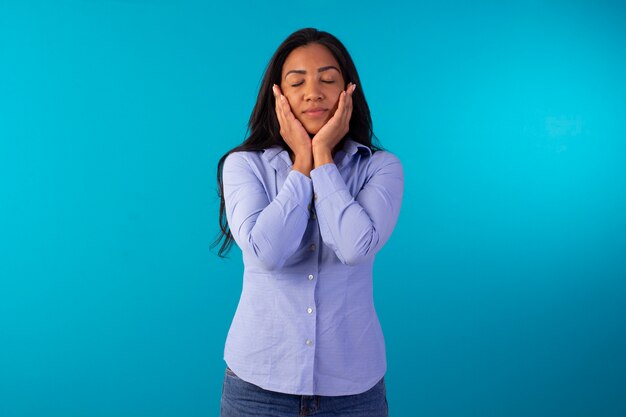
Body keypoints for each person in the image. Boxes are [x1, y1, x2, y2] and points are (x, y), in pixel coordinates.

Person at [212, 27, 404, 417]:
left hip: (353, 390)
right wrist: (302, 164)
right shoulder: (244, 166)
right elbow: (268, 254)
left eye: (328, 79)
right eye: (297, 82)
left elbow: (354, 249)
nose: (313, 92)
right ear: (277, 96)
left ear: (348, 91)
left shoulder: (381, 168)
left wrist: (322, 158)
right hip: (257, 387)